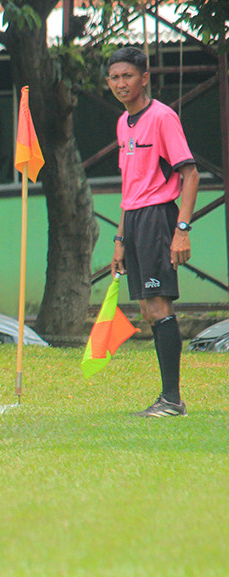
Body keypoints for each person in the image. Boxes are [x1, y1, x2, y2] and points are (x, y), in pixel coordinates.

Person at [107, 46, 200, 417]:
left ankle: (171, 400)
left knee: (160, 304)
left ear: (144, 77)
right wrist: (118, 239)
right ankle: (169, 398)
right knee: (147, 308)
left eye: (127, 75)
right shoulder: (121, 123)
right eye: (114, 77)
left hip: (160, 218)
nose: (120, 83)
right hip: (134, 220)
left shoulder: (162, 117)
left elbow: (190, 174)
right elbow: (129, 188)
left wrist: (182, 229)